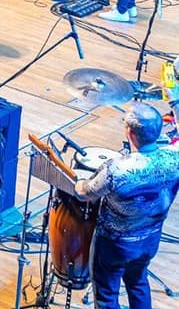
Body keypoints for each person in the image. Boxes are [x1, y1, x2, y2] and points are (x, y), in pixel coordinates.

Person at [74, 102, 179, 309]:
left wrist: (78, 183)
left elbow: (85, 193)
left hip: (114, 245)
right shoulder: (175, 159)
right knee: (138, 282)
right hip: (150, 239)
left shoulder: (116, 170)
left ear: (130, 133)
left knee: (106, 295)